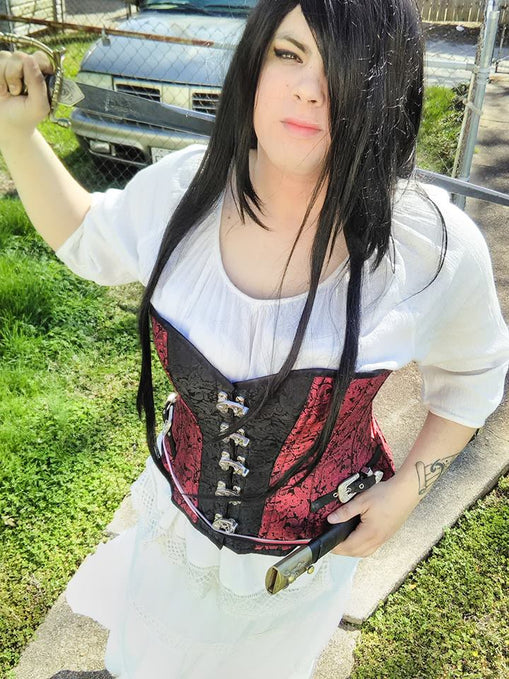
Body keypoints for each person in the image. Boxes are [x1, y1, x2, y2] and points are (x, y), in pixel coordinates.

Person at [1, 0, 508, 677]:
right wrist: (15, 134)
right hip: (175, 532)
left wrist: (407, 492)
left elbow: (475, 376)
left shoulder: (428, 249)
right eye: (288, 53)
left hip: (302, 567)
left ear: (389, 88)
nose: (307, 89)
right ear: (254, 61)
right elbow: (88, 235)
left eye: (346, 67)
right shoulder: (186, 191)